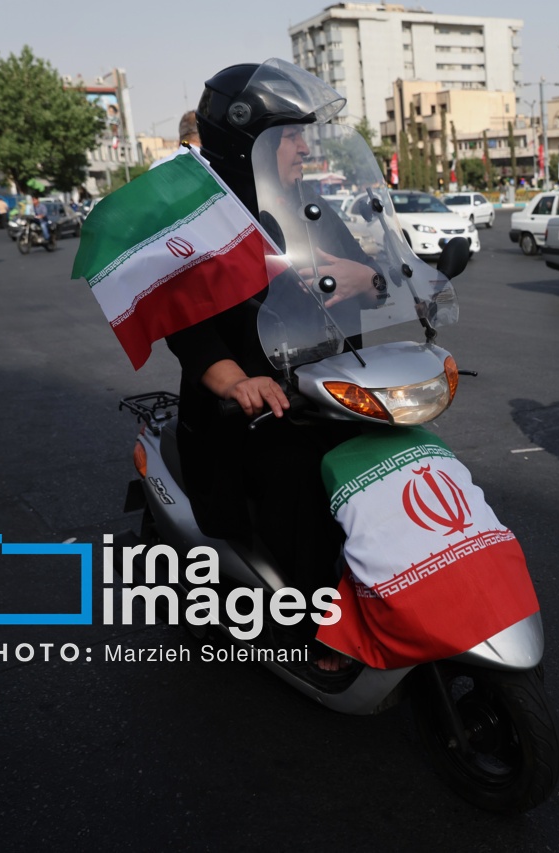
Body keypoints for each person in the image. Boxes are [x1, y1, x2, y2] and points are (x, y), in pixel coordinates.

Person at [166, 61, 379, 672]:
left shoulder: (310, 208)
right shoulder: (200, 223)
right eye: (289, 135)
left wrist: (366, 275)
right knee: (301, 476)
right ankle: (317, 626)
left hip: (328, 386)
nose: (304, 146)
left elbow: (372, 268)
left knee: (398, 455)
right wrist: (238, 380)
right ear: (243, 137)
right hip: (251, 409)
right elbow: (186, 325)